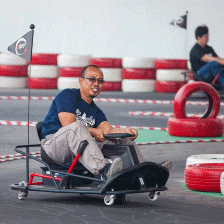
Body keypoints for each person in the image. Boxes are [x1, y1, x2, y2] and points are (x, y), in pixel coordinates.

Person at [40, 65, 172, 180]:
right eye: (92, 79)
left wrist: (126, 132)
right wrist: (94, 131)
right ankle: (105, 170)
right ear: (81, 81)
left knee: (124, 139)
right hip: (54, 148)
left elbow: (108, 131)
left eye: (100, 81)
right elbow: (68, 126)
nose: (96, 84)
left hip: (78, 148)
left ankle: (145, 172)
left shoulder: (96, 111)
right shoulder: (67, 95)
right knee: (77, 127)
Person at [190, 25, 224, 89]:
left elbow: (218, 59)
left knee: (220, 65)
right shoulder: (195, 50)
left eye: (208, 36)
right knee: (213, 63)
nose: (208, 38)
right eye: (206, 36)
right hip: (200, 75)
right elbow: (208, 59)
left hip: (211, 72)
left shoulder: (209, 48)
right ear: (198, 37)